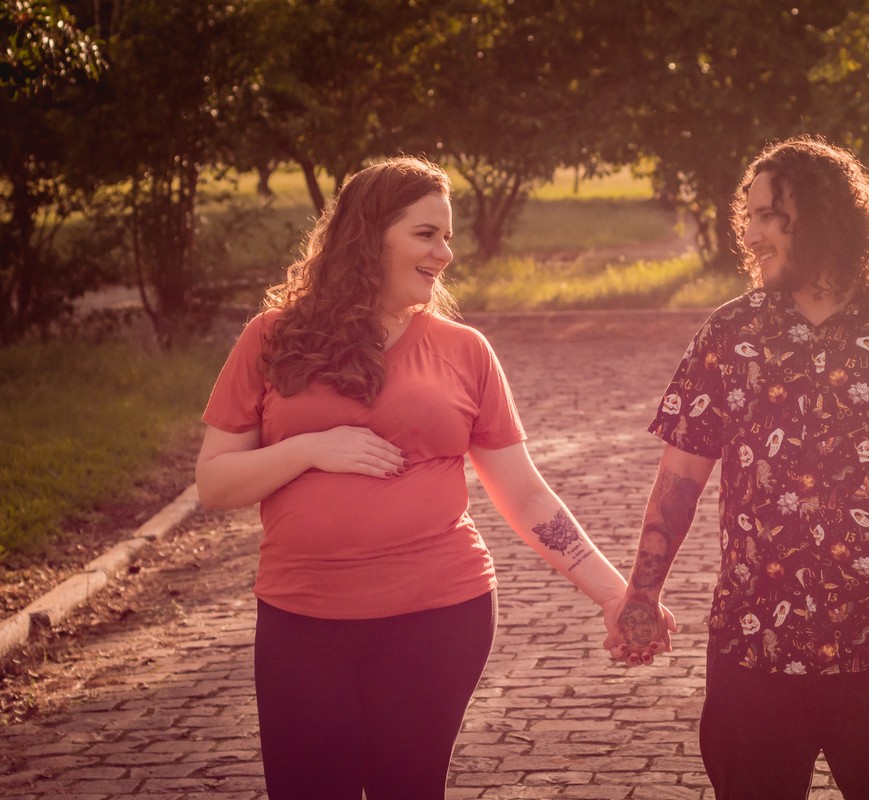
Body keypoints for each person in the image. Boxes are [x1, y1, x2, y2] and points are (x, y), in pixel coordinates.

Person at [195, 156, 649, 800]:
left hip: (438, 615)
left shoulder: (464, 351)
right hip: (302, 617)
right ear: (368, 234)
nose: (445, 253)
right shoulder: (272, 339)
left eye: (448, 236)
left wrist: (612, 593)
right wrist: (310, 449)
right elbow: (215, 484)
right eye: (426, 234)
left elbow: (523, 493)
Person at [604, 135, 869, 800]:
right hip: (754, 656)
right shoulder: (730, 335)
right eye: (746, 216)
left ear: (822, 217)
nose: (749, 235)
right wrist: (642, 594)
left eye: (767, 216)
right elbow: (680, 479)